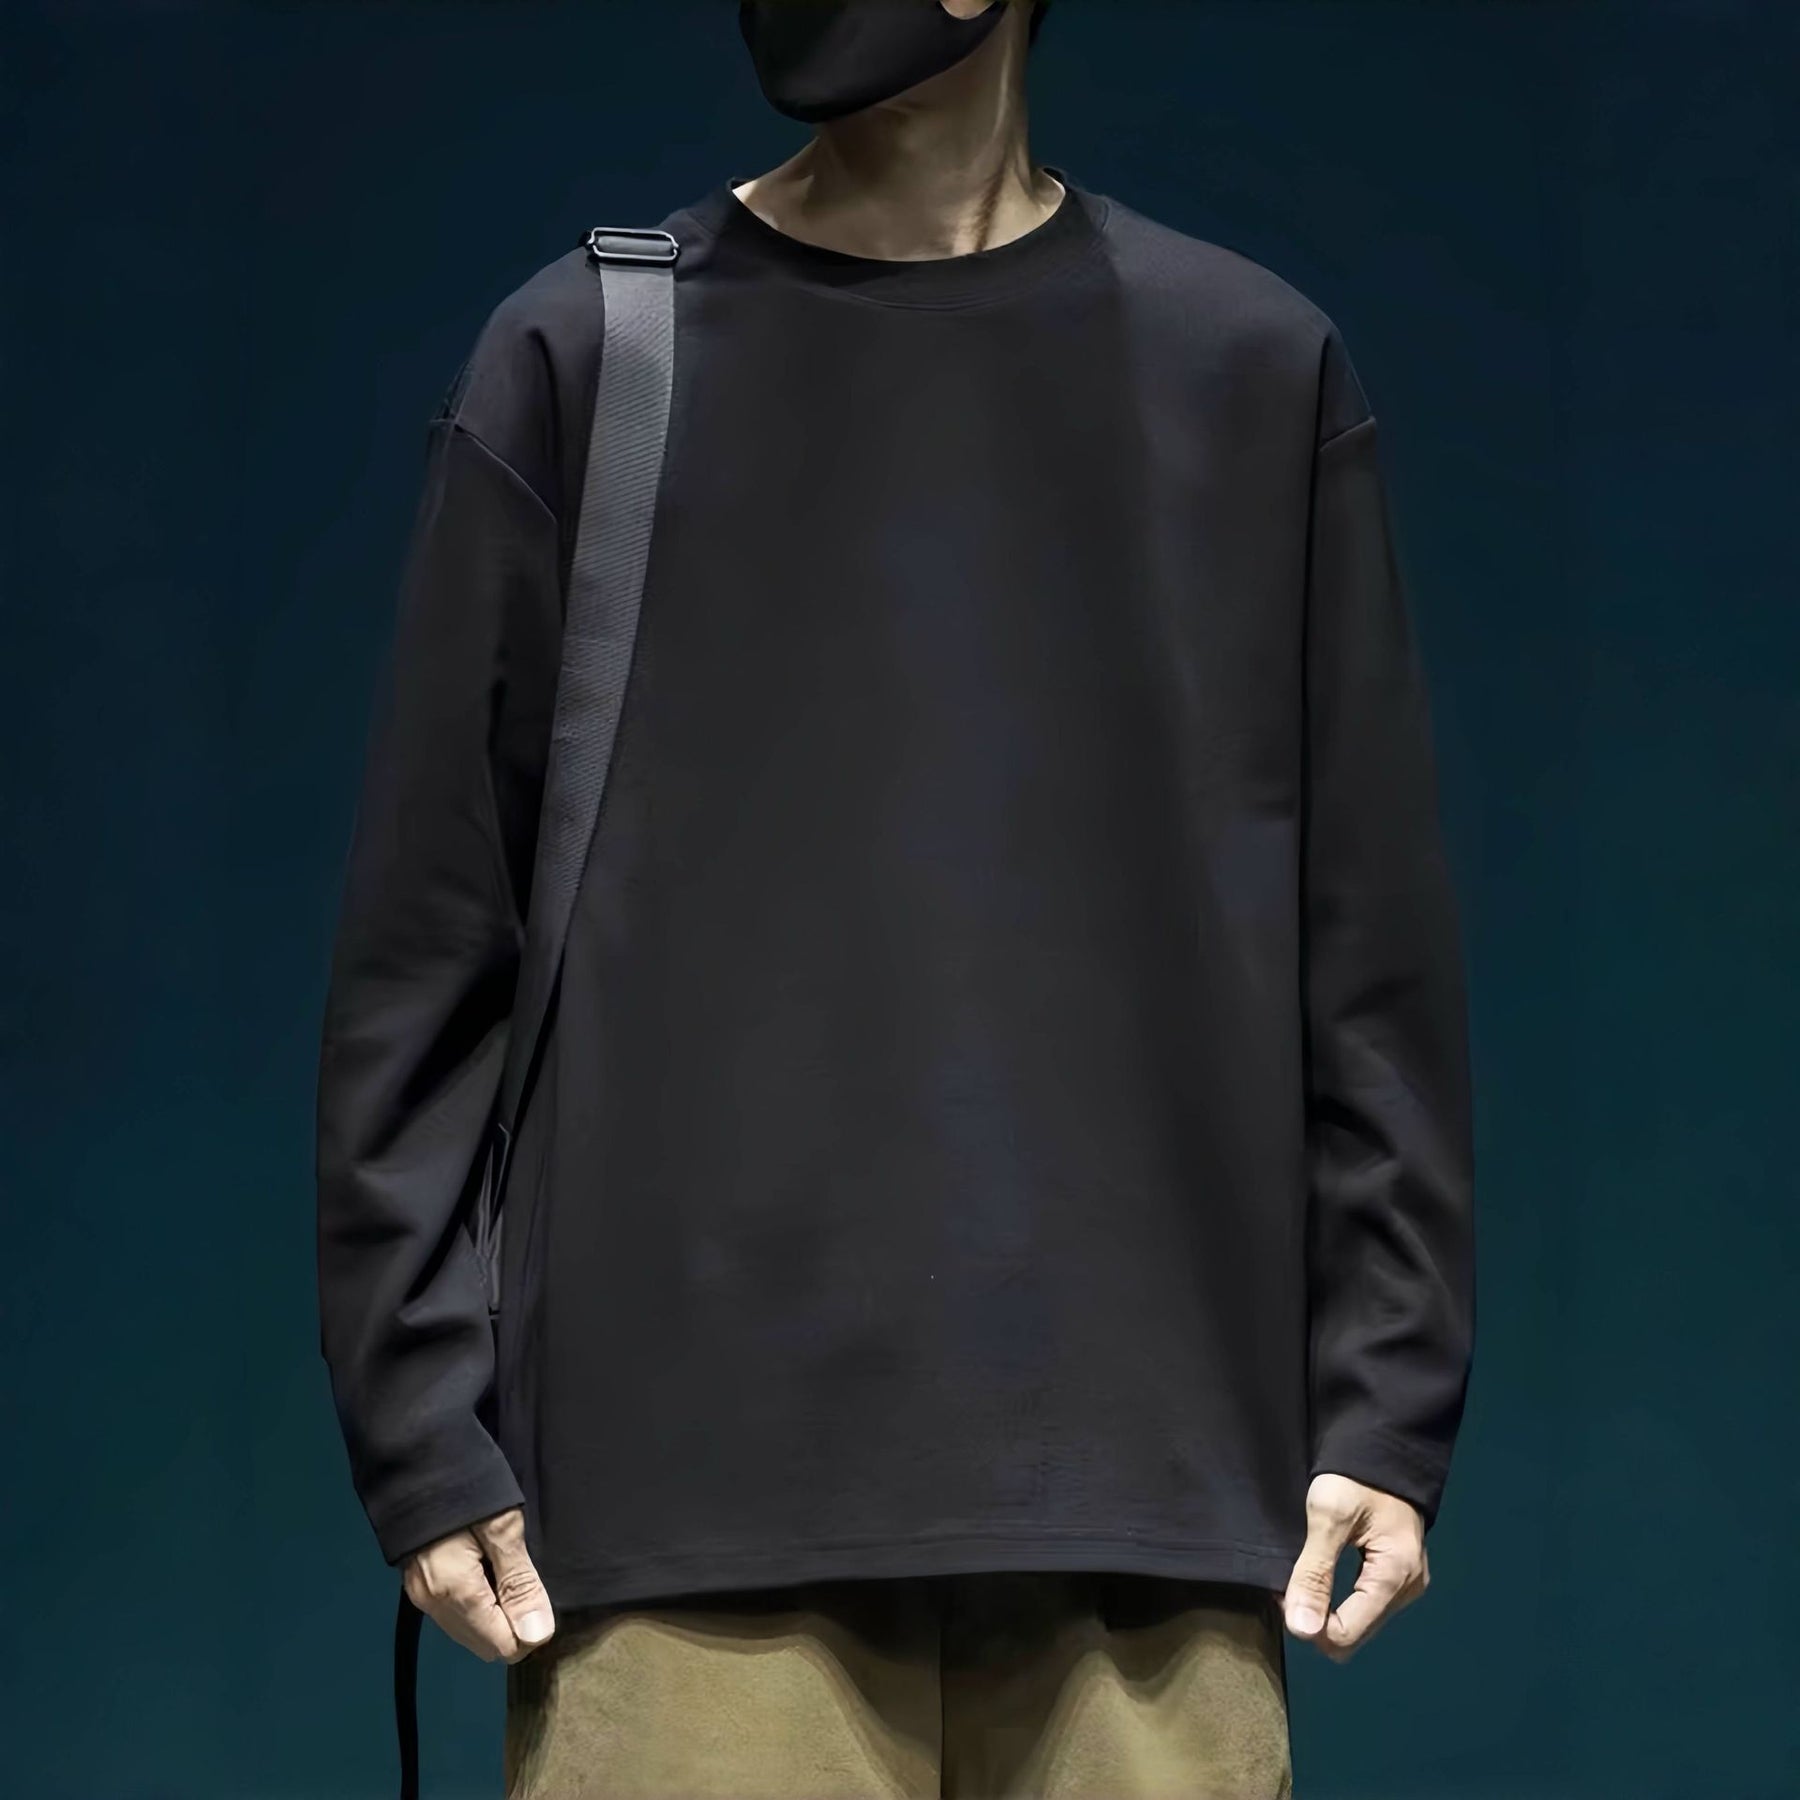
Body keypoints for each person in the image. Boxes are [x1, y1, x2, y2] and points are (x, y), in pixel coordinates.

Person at [315, 1, 1476, 1793]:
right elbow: (427, 946)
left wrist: (1389, 1398)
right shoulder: (589, 356)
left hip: (1145, 1499)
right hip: (683, 1518)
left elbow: (1367, 950)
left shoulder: (1248, 370)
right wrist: (418, 1422)